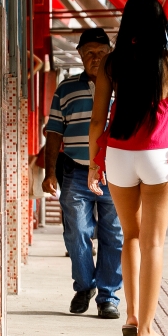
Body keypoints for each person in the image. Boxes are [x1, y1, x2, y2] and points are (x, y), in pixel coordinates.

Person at [88, 0, 168, 336]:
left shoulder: (111, 63)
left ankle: (132, 317)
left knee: (130, 235)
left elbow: (97, 120)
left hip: (118, 155)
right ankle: (147, 331)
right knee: (154, 242)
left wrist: (94, 163)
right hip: (158, 155)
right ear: (159, 25)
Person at [43, 28, 124, 319]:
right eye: (89, 52)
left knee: (114, 235)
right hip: (76, 172)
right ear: (79, 55)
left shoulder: (122, 86)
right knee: (77, 230)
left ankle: (108, 296)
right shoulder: (65, 89)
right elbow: (54, 132)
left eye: (101, 53)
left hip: (115, 173)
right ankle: (84, 286)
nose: (95, 58)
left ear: (110, 54)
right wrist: (49, 173)